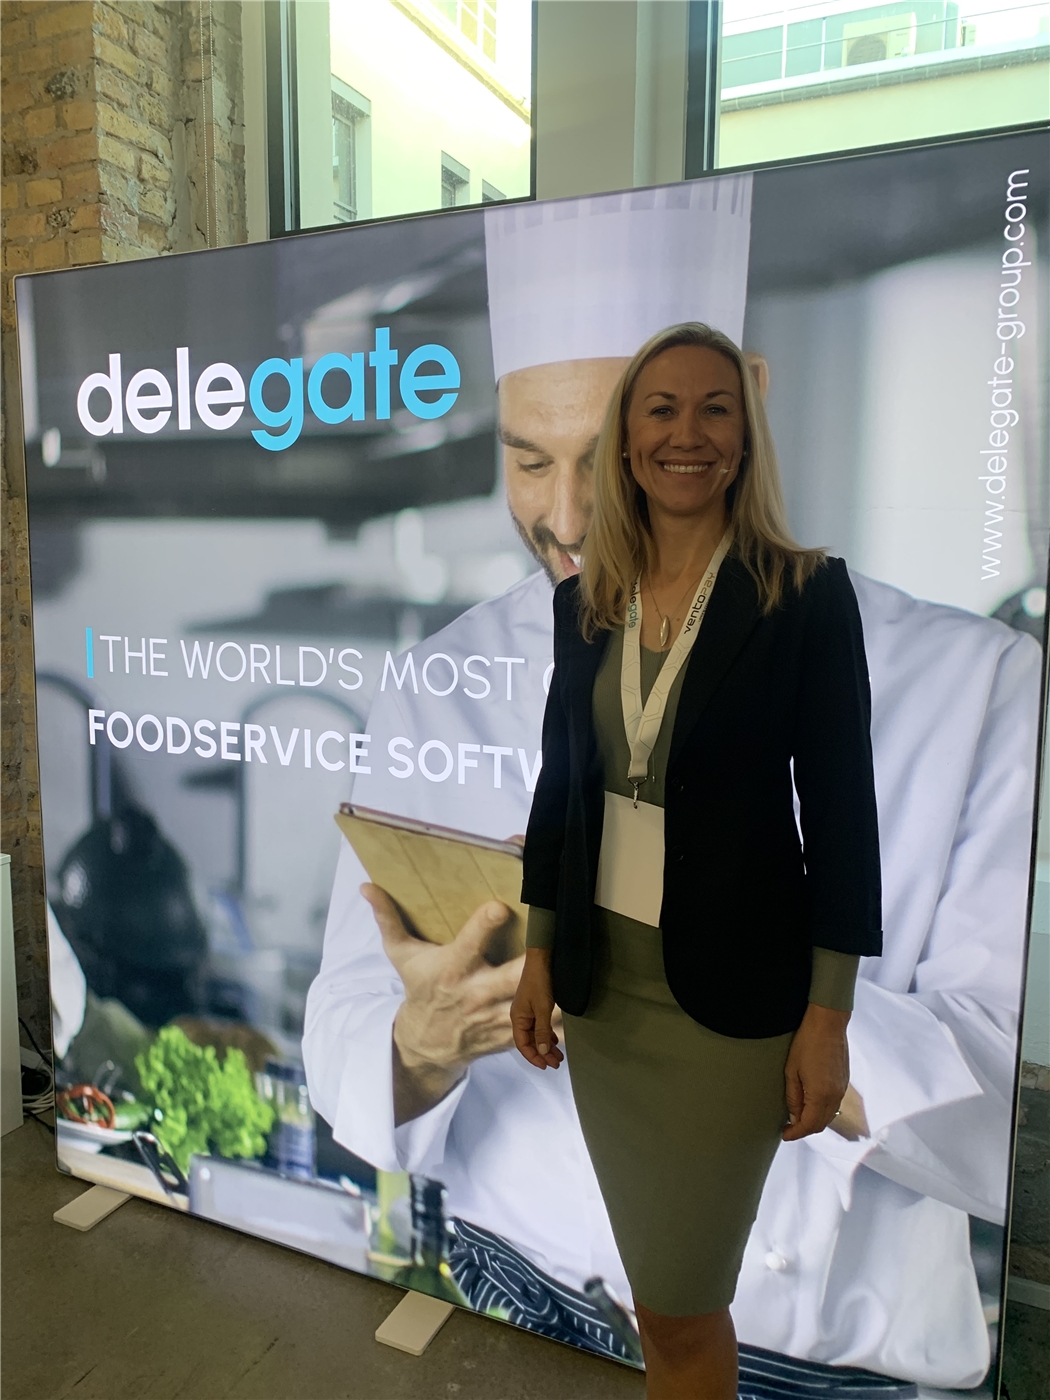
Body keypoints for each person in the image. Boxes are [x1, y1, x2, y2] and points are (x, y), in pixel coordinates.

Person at [303, 188, 1042, 1386]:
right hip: (506, 1286)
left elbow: (1000, 1122)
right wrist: (430, 1034)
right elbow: (343, 1025)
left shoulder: (974, 680)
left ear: (743, 409)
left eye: (609, 451)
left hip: (816, 1363)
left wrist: (789, 1006)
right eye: (529, 458)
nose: (566, 513)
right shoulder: (448, 670)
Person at [511, 321, 882, 1397]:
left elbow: (844, 819)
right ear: (627, 442)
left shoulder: (803, 595)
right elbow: (560, 788)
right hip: (607, 1001)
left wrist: (829, 1017)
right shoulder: (584, 602)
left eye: (715, 409)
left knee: (682, 1305)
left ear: (745, 436)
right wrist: (539, 952)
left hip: (729, 1011)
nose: (688, 433)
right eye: (661, 410)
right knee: (659, 1297)